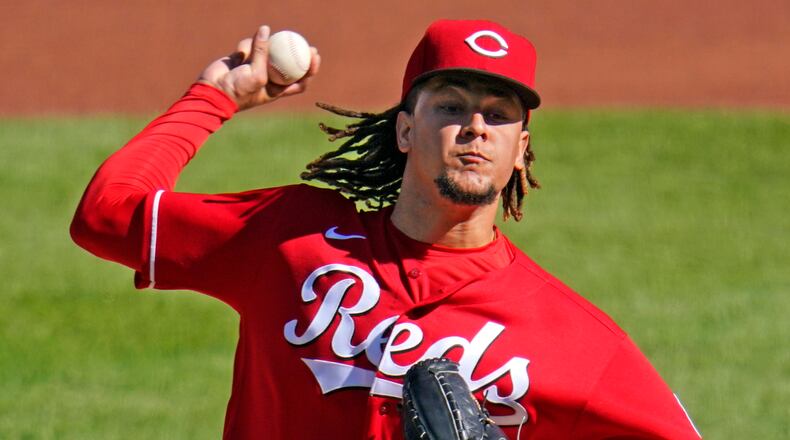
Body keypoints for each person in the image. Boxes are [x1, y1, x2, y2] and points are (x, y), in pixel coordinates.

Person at [71, 19, 702, 439]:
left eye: (498, 115)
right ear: (405, 129)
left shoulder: (573, 339)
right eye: (450, 106)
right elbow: (105, 214)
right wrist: (215, 96)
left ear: (521, 150)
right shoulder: (290, 238)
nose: (475, 127)